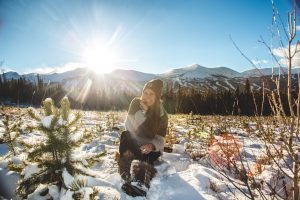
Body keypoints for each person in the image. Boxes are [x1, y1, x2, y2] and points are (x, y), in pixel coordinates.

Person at [118, 79, 168, 196]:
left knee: (146, 157)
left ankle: (140, 183)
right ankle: (125, 174)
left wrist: (151, 145)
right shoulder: (136, 103)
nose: (147, 97)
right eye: (145, 92)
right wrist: (143, 113)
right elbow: (129, 126)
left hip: (151, 146)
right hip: (135, 140)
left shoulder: (162, 114)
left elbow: (161, 139)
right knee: (125, 135)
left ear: (157, 96)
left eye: (151, 94)